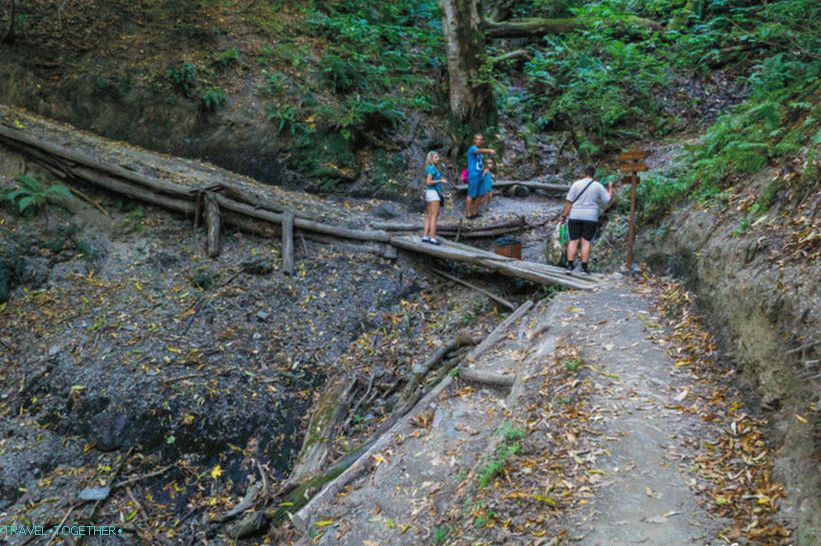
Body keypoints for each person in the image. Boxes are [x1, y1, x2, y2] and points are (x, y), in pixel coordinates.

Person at [560, 165, 613, 275]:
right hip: (590, 217)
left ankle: (569, 266)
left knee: (573, 240)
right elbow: (607, 200)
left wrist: (564, 216)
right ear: (594, 174)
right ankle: (584, 268)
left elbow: (569, 202)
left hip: (575, 216)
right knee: (586, 241)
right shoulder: (598, 186)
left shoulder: (576, 184)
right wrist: (610, 188)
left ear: (584, 173)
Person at [466, 134, 495, 219]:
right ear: (474, 140)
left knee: (481, 194)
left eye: (480, 139)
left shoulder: (480, 152)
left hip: (480, 174)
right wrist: (489, 150)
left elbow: (480, 162)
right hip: (473, 175)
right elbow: (479, 151)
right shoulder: (472, 149)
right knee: (471, 194)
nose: (479, 141)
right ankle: (468, 213)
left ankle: (475, 211)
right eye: (477, 139)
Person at [422, 151, 447, 245]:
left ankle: (425, 236)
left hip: (429, 193)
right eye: (436, 157)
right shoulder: (432, 168)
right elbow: (428, 182)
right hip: (433, 193)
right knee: (434, 217)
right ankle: (432, 238)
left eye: (438, 157)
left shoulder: (429, 168)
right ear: (431, 158)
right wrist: (440, 180)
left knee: (429, 216)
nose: (438, 159)